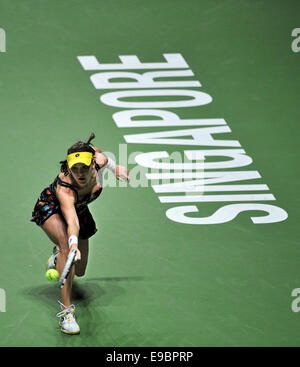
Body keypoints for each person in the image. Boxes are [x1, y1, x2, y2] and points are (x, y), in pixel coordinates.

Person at [30, 132, 129, 334]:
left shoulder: (98, 159)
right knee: (67, 248)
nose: (80, 173)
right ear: (68, 167)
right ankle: (66, 313)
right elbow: (71, 220)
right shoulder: (65, 189)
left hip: (80, 208)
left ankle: (59, 254)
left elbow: (102, 154)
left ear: (93, 163)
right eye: (75, 169)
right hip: (52, 208)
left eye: (84, 167)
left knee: (80, 271)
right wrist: (73, 244)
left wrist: (115, 167)